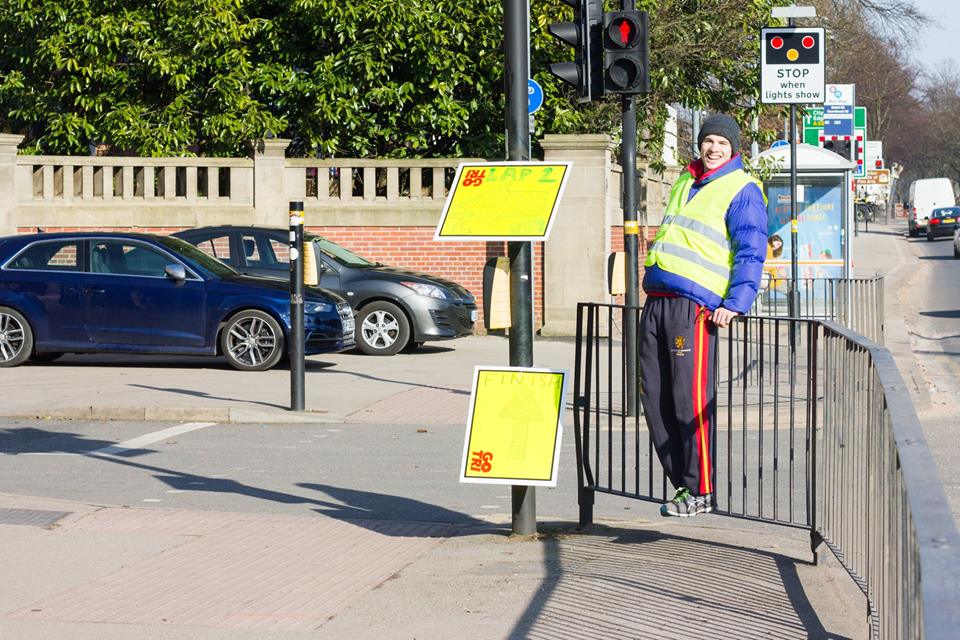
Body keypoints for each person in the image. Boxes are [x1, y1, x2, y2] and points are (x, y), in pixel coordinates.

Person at [639, 113, 768, 517]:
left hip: (693, 309)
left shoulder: (742, 188)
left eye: (722, 143)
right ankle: (684, 485)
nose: (714, 148)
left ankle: (701, 491)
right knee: (653, 396)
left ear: (734, 149)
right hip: (658, 298)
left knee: (688, 399)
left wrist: (735, 303)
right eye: (709, 141)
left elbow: (751, 250)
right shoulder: (685, 180)